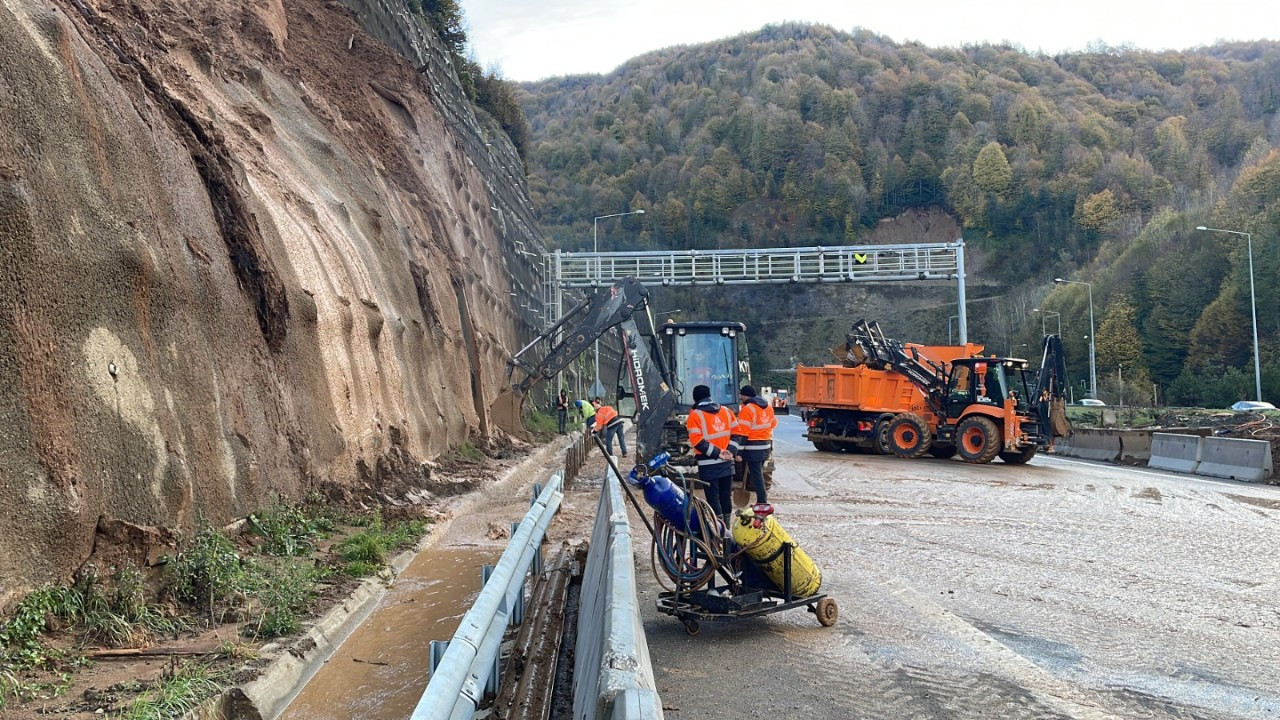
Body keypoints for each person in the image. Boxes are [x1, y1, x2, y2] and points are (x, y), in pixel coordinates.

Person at [686, 384, 739, 526]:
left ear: (695, 398)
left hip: (708, 464)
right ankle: (726, 530)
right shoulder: (727, 411)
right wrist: (730, 452)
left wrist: (718, 453)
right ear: (710, 395)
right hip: (728, 463)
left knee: (713, 498)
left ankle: (718, 531)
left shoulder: (695, 415)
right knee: (725, 496)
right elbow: (737, 435)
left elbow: (697, 442)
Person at [732, 385, 777, 505]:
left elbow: (743, 434)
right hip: (765, 445)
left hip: (753, 447)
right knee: (757, 473)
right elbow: (773, 423)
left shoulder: (747, 409)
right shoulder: (768, 407)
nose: (741, 398)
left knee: (756, 475)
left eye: (741, 396)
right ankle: (759, 499)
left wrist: (739, 453)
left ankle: (762, 501)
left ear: (745, 395)